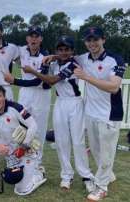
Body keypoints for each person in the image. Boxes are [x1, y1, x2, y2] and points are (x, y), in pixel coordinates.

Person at [22, 36, 95, 192]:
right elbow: (47, 75)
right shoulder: (54, 63)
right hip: (60, 103)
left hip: (75, 103)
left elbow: (52, 80)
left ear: (72, 51)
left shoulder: (74, 64)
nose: (63, 52)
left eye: (67, 49)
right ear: (56, 51)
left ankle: (86, 176)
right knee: (62, 141)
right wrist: (50, 59)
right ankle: (66, 176)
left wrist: (33, 71)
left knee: (78, 141)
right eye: (60, 50)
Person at [73, 27, 125, 201]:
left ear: (103, 39)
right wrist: (52, 56)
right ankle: (108, 175)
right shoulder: (84, 58)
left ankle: (102, 187)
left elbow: (114, 87)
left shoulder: (115, 59)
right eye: (88, 40)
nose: (92, 43)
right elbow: (66, 56)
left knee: (106, 153)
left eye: (95, 39)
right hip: (91, 113)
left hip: (109, 114)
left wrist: (86, 77)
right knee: (95, 150)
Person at [0, 85, 46, 196]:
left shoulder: (16, 108)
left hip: (27, 149)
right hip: (10, 148)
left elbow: (33, 125)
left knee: (21, 190)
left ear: (4, 97)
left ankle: (38, 174)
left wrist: (24, 145)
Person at [3, 26, 51, 171]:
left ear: (41, 39)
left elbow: (38, 81)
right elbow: (4, 49)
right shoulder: (21, 50)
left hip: (41, 94)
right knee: (21, 125)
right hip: (25, 93)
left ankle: (37, 161)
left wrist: (14, 81)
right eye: (31, 36)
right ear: (27, 38)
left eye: (37, 36)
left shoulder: (45, 56)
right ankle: (20, 156)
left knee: (39, 128)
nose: (34, 39)